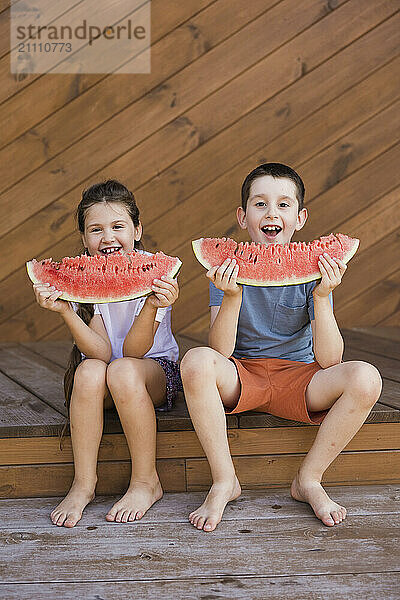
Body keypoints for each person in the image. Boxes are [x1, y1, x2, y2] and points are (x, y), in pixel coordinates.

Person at [180, 163, 382, 532]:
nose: (271, 213)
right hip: (241, 375)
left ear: (300, 218)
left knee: (366, 378)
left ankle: (309, 479)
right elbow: (220, 351)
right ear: (243, 217)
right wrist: (231, 297)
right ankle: (225, 480)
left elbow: (330, 359)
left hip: (300, 378)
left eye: (283, 205)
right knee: (196, 361)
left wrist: (322, 297)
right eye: (260, 204)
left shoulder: (314, 268)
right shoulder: (227, 266)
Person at [32, 179, 181, 528]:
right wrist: (67, 310)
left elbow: (133, 350)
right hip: (108, 373)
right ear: (84, 239)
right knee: (88, 371)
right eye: (95, 230)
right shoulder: (89, 272)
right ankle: (84, 484)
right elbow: (99, 352)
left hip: (153, 373)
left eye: (118, 227)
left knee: (123, 370)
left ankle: (147, 481)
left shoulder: (156, 274)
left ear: (137, 229)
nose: (108, 237)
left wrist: (149, 304)